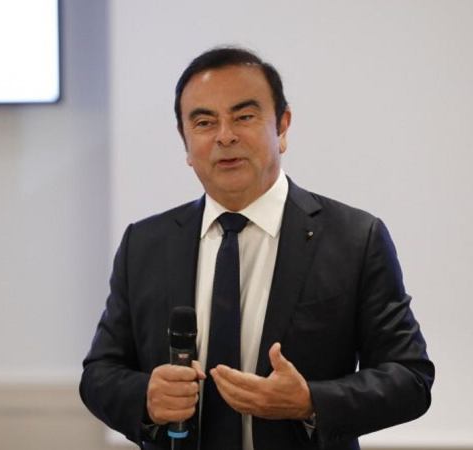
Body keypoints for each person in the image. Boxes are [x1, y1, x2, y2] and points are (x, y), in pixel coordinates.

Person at [80, 46, 434, 450]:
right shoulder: (144, 244)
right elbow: (99, 373)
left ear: (282, 127)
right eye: (204, 122)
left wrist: (310, 401)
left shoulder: (354, 238)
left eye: (244, 117)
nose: (225, 136)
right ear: (185, 143)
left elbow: (411, 378)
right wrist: (146, 398)